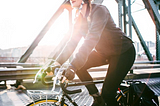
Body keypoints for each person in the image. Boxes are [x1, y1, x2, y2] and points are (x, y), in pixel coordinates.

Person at [50, 0, 136, 105]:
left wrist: (73, 66)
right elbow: (72, 42)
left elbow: (91, 39)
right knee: (79, 67)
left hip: (123, 52)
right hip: (104, 53)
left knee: (108, 94)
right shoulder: (79, 18)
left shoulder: (99, 11)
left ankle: (103, 98)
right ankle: (96, 97)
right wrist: (56, 62)